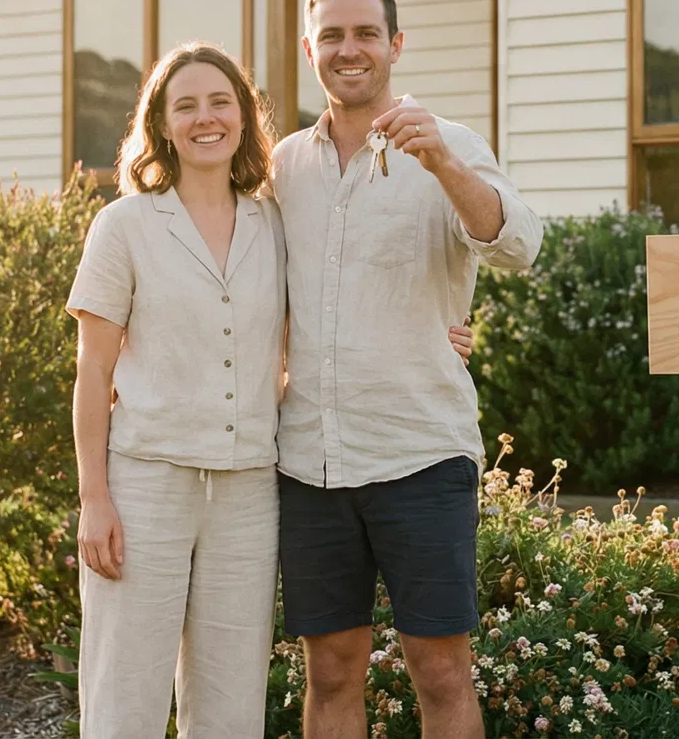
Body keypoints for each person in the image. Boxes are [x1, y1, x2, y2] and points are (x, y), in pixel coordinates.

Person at [65, 42, 475, 739]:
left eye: (221, 102)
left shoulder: (273, 222)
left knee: (230, 703)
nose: (205, 118)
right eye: (185, 105)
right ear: (161, 124)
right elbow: (93, 373)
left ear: (244, 116)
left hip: (249, 489)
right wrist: (95, 498)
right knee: (123, 695)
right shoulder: (124, 226)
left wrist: (426, 334)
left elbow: (326, 313)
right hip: (146, 483)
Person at [273, 0, 544, 739]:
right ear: (309, 48)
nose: (348, 49)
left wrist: (446, 168)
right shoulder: (284, 166)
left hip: (420, 456)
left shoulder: (449, 143)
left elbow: (519, 246)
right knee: (329, 671)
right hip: (310, 462)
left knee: (441, 670)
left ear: (395, 44)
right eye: (332, 35)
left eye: (365, 33)